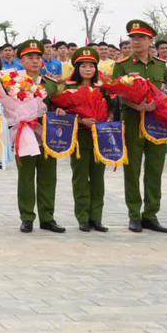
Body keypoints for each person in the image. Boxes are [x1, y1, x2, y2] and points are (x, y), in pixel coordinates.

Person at [113, 19, 167, 233]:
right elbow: (117, 92)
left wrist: (162, 100)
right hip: (132, 120)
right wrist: (136, 105)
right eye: (133, 38)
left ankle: (151, 214)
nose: (136, 41)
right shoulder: (122, 65)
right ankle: (134, 214)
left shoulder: (161, 65)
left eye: (141, 38)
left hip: (157, 120)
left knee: (155, 168)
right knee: (132, 169)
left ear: (150, 41)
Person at [12, 40, 66, 233]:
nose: (35, 61)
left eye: (38, 57)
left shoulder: (50, 83)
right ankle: (27, 217)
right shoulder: (13, 83)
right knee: (26, 177)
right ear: (22, 61)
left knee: (48, 177)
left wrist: (60, 110)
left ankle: (47, 217)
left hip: (47, 134)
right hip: (25, 133)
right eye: (30, 57)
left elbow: (57, 105)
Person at [63, 47, 110, 232]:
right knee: (80, 178)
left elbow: (112, 109)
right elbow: (64, 112)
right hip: (80, 137)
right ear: (77, 68)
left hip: (100, 137)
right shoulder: (69, 89)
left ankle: (96, 217)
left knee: (98, 179)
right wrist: (81, 120)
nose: (88, 69)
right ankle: (82, 217)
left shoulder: (103, 89)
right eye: (83, 66)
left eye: (91, 66)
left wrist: (107, 118)